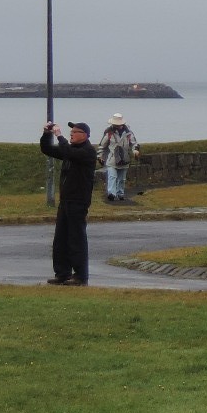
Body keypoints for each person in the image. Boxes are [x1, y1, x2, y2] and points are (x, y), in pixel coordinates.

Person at [38, 121, 97, 285]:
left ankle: (80, 276)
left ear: (84, 135)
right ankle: (62, 273)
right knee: (60, 239)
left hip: (78, 201)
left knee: (76, 239)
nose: (72, 134)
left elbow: (68, 152)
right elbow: (48, 149)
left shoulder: (87, 152)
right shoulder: (71, 150)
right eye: (71, 132)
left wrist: (59, 136)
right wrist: (47, 134)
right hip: (65, 201)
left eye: (75, 132)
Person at [97, 113, 140, 203]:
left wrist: (135, 150)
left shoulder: (128, 133)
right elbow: (102, 145)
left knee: (122, 178)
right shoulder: (109, 133)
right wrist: (100, 156)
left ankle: (120, 193)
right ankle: (111, 194)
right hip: (112, 159)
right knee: (112, 176)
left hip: (124, 158)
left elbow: (134, 143)